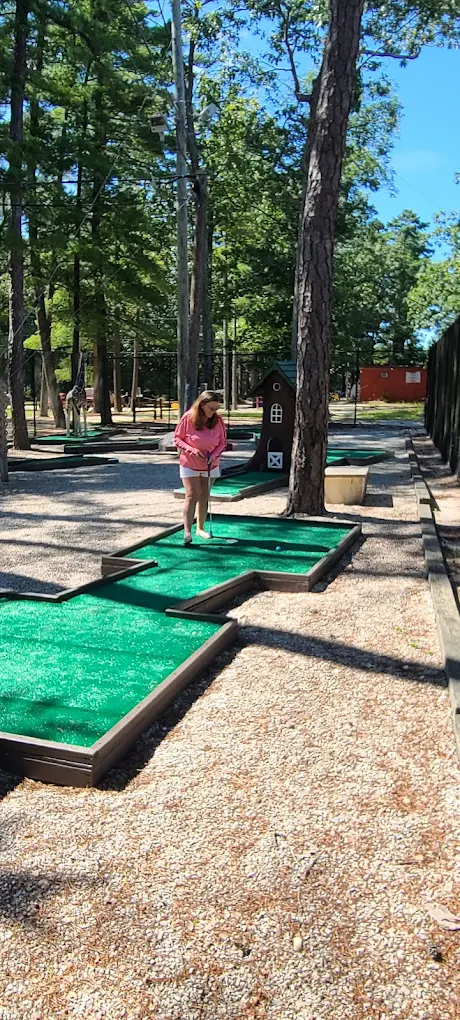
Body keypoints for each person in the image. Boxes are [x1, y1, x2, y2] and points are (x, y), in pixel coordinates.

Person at [174, 390, 227, 545]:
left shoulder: (218, 420)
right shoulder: (188, 417)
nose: (214, 411)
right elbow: (177, 438)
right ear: (202, 405)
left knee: (204, 496)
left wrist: (214, 455)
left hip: (211, 464)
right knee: (192, 496)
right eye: (211, 408)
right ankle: (187, 532)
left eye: (216, 408)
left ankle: (200, 528)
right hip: (190, 463)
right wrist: (192, 450)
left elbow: (222, 442)